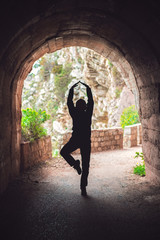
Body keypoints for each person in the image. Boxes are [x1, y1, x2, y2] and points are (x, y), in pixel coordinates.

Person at [60, 81, 94, 196]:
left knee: (63, 152)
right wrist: (87, 88)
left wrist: (71, 89)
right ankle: (83, 187)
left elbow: (69, 102)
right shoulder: (88, 113)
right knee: (86, 166)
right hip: (85, 142)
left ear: (76, 106)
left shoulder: (74, 113)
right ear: (85, 106)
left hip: (75, 140)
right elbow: (91, 102)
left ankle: (75, 164)